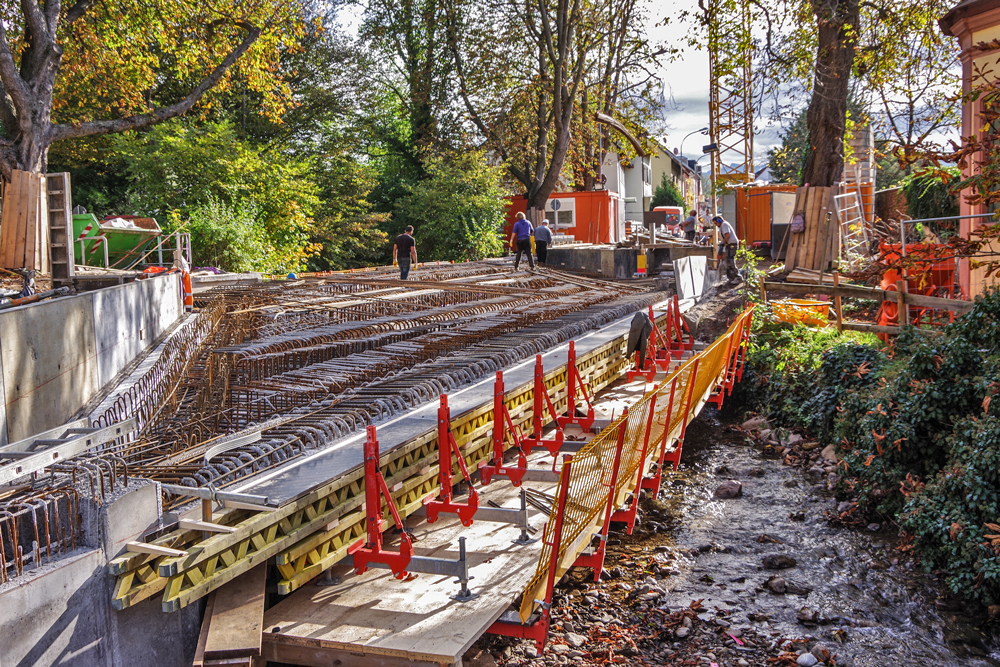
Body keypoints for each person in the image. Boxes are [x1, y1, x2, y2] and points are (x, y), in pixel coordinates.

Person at [712, 215, 741, 284]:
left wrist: (723, 242)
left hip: (732, 245)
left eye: (716, 223)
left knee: (730, 261)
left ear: (719, 221)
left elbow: (727, 234)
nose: (716, 225)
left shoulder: (724, 224)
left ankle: (738, 277)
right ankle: (731, 278)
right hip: (729, 245)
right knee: (727, 262)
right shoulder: (722, 226)